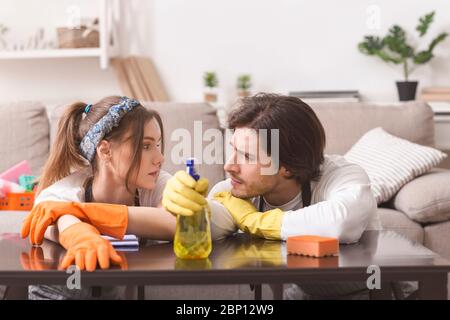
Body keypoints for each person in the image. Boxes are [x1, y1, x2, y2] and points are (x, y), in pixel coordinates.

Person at [162, 93, 378, 299]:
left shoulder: (342, 176)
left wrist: (254, 221)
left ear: (287, 168)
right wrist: (188, 206)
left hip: (371, 293)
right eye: (233, 150)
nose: (229, 166)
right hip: (299, 295)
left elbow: (340, 223)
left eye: (246, 156)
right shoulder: (237, 191)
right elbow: (211, 224)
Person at [20, 96, 193, 299]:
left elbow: (180, 224)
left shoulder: (155, 184)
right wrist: (78, 232)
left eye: (157, 145)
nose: (160, 158)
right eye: (146, 146)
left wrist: (81, 211)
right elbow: (47, 218)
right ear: (105, 150)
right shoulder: (68, 190)